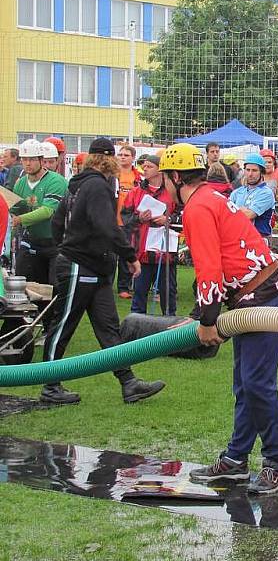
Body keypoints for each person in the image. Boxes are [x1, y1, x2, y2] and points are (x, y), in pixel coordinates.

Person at [159, 143, 278, 494]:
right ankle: (235, 460)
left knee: (258, 384)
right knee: (246, 383)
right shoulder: (212, 197)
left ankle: (275, 466)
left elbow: (208, 269)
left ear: (175, 177)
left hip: (264, 294)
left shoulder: (197, 207)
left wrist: (206, 322)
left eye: (164, 178)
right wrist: (201, 315)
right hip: (254, 294)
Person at [41, 137, 166, 405]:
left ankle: (129, 382)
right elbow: (107, 227)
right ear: (109, 159)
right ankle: (50, 385)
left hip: (88, 264)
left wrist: (64, 245)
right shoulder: (98, 186)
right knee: (63, 325)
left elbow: (56, 220)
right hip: (81, 264)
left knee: (109, 328)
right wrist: (129, 256)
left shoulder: (77, 185)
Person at [121, 154, 178, 316]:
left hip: (165, 253)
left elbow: (182, 215)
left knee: (168, 294)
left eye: (149, 166)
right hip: (142, 252)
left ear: (159, 169)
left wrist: (169, 219)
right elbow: (125, 218)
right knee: (139, 293)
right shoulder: (135, 193)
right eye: (143, 166)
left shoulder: (172, 192)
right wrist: (138, 218)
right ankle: (136, 328)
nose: (144, 169)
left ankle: (170, 328)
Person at [10, 139, 68, 287]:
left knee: (54, 287)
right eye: (24, 159)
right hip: (31, 241)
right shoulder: (20, 183)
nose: (27, 163)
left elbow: (47, 211)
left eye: (32, 159)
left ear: (42, 160)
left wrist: (19, 219)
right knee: (24, 283)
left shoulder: (56, 181)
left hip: (55, 244)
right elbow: (15, 209)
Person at [229, 153, 275, 237]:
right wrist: (242, 210)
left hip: (258, 240)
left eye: (254, 170)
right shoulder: (237, 192)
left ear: (261, 172)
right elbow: (226, 214)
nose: (250, 174)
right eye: (248, 170)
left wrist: (234, 209)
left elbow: (248, 215)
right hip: (238, 238)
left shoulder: (266, 193)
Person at [115, 144, 138, 299]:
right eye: (121, 154)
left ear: (133, 158)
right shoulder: (113, 175)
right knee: (109, 255)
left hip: (128, 222)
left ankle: (124, 287)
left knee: (126, 255)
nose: (122, 157)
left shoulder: (137, 177)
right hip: (112, 220)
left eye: (126, 155)